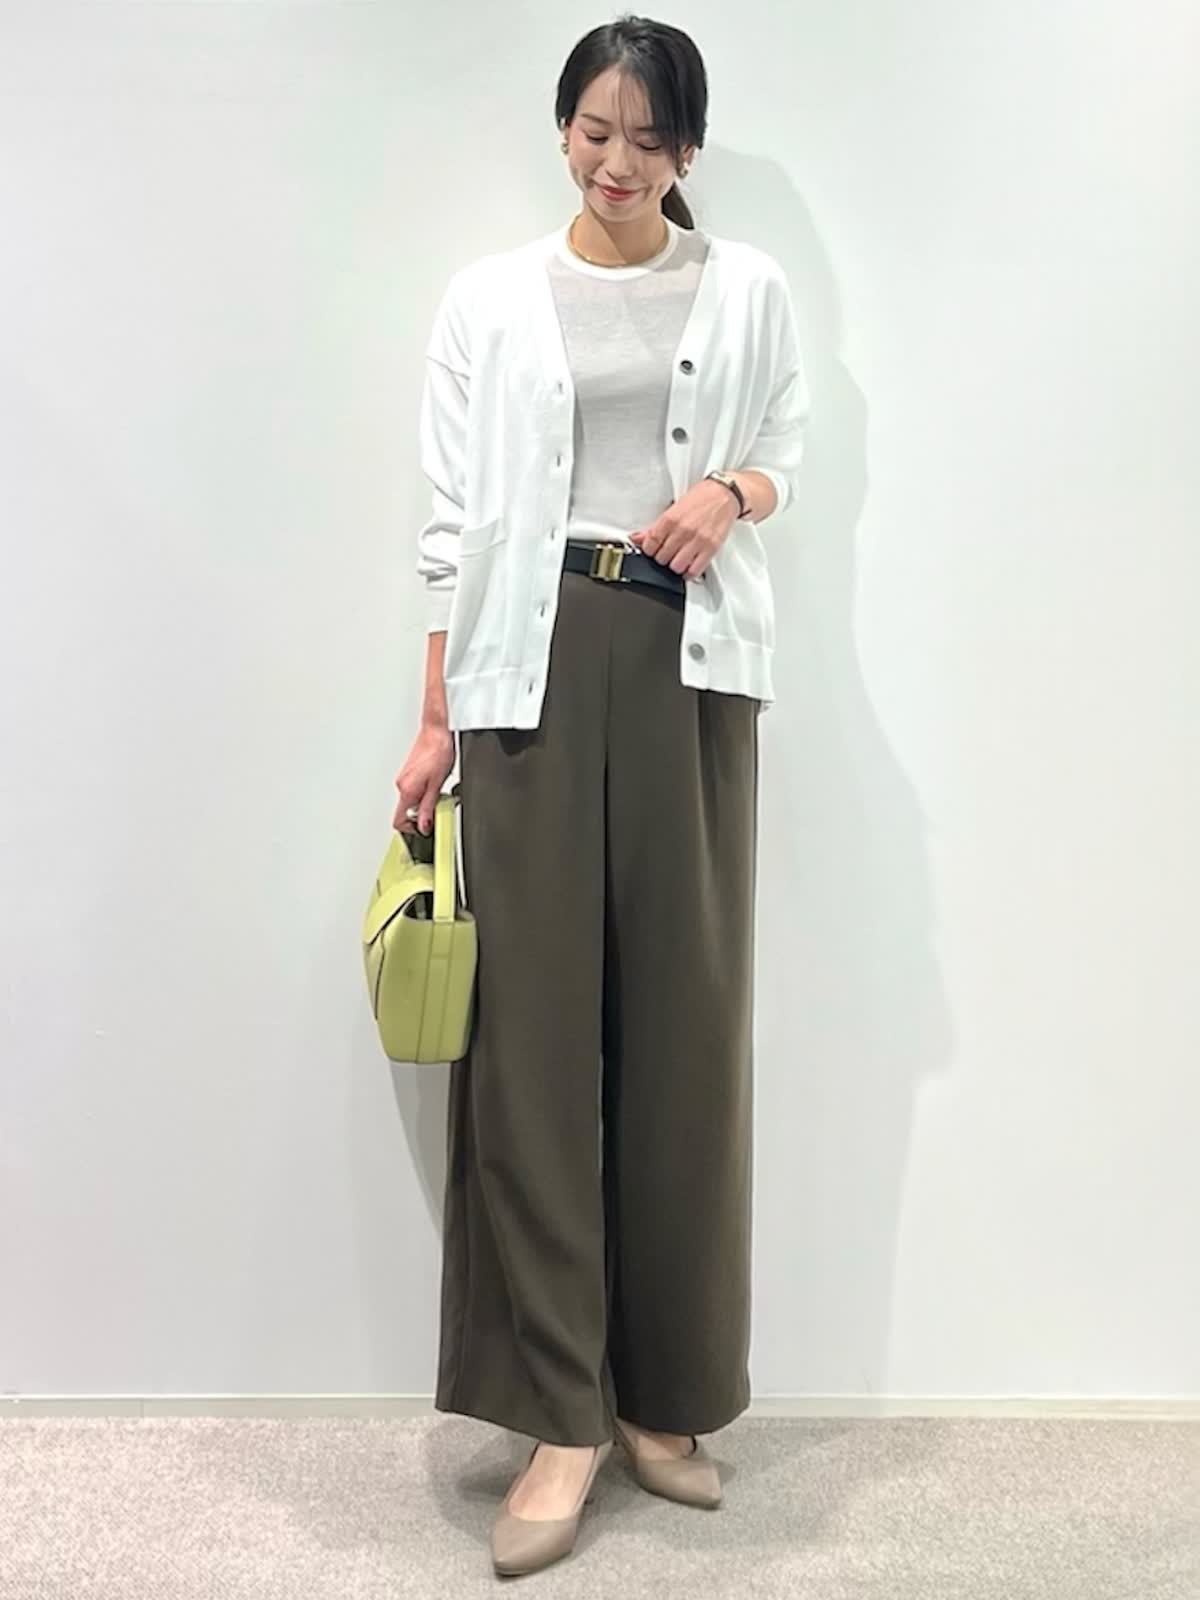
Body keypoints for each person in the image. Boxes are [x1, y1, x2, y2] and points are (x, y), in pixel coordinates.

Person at [392, 13, 809, 1579]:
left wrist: (727, 494)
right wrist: (431, 720)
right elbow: (451, 525)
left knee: (688, 1036)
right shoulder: (488, 301)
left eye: (646, 138)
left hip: (691, 664)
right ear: (562, 129)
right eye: (593, 131)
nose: (616, 163)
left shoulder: (746, 288)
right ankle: (557, 1416)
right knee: (534, 1048)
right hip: (530, 667)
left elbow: (785, 445)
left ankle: (663, 1396)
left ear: (688, 148)